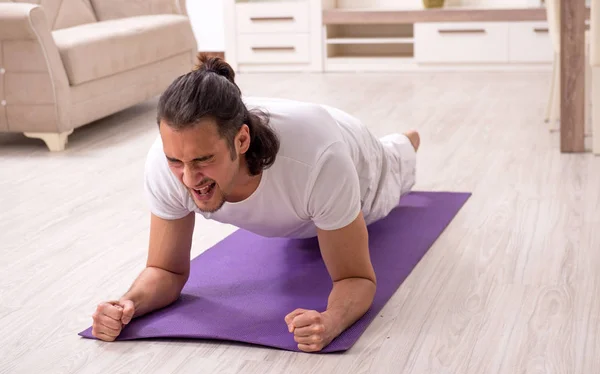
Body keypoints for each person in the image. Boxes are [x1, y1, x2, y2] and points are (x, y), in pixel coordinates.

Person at [91, 54, 419, 352]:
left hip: (355, 154)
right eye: (176, 160)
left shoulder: (321, 162)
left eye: (203, 160)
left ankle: (406, 141)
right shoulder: (167, 165)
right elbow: (165, 270)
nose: (189, 179)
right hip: (299, 135)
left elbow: (356, 278)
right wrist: (127, 305)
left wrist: (331, 321)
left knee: (393, 159)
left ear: (242, 140)